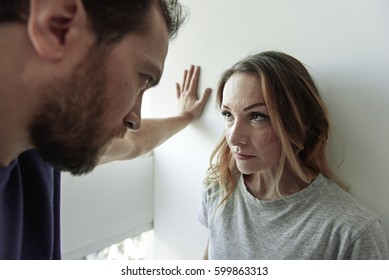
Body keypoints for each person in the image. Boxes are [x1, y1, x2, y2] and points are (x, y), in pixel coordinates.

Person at [0, 0, 211, 259]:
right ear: (58, 25)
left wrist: (185, 117)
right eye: (143, 78)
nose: (135, 119)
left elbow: (136, 143)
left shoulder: (39, 141)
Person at [199, 51, 389, 259]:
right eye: (228, 114)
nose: (234, 138)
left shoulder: (351, 231)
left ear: (299, 121)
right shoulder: (218, 187)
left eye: (257, 116)